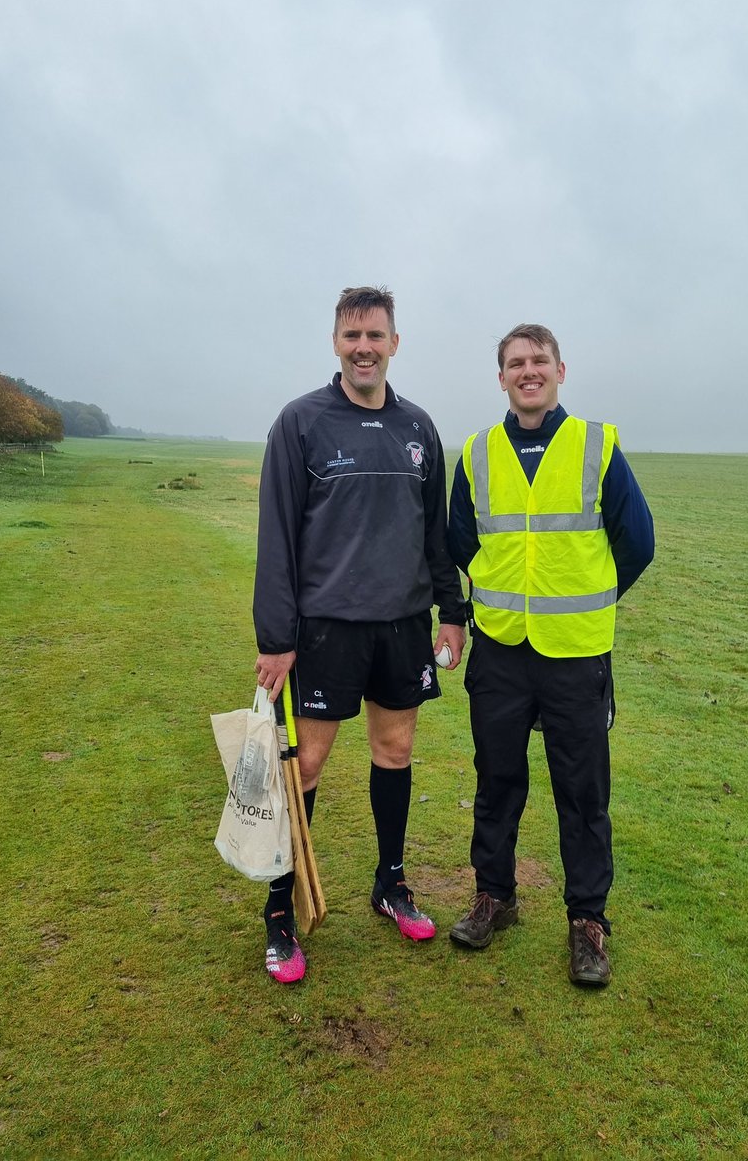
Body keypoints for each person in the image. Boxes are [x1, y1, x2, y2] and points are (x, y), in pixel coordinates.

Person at [253, 286, 466, 983]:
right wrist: (275, 637)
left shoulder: (418, 427)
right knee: (306, 766)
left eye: (375, 335)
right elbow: (277, 537)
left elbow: (434, 534)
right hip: (326, 631)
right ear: (336, 344)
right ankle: (281, 911)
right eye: (352, 336)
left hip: (402, 625)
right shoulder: (301, 422)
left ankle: (390, 883)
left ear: (394, 343)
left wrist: (452, 611)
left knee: (395, 751)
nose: (364, 348)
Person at [447, 323, 654, 986]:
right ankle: (494, 897)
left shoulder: (596, 445)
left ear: (560, 371)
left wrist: (589, 599)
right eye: (515, 363)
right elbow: (460, 541)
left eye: (539, 360)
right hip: (501, 649)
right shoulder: (477, 453)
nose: (527, 371)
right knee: (496, 780)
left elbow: (638, 541)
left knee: (583, 792)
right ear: (501, 378)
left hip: (575, 653)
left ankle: (587, 921)